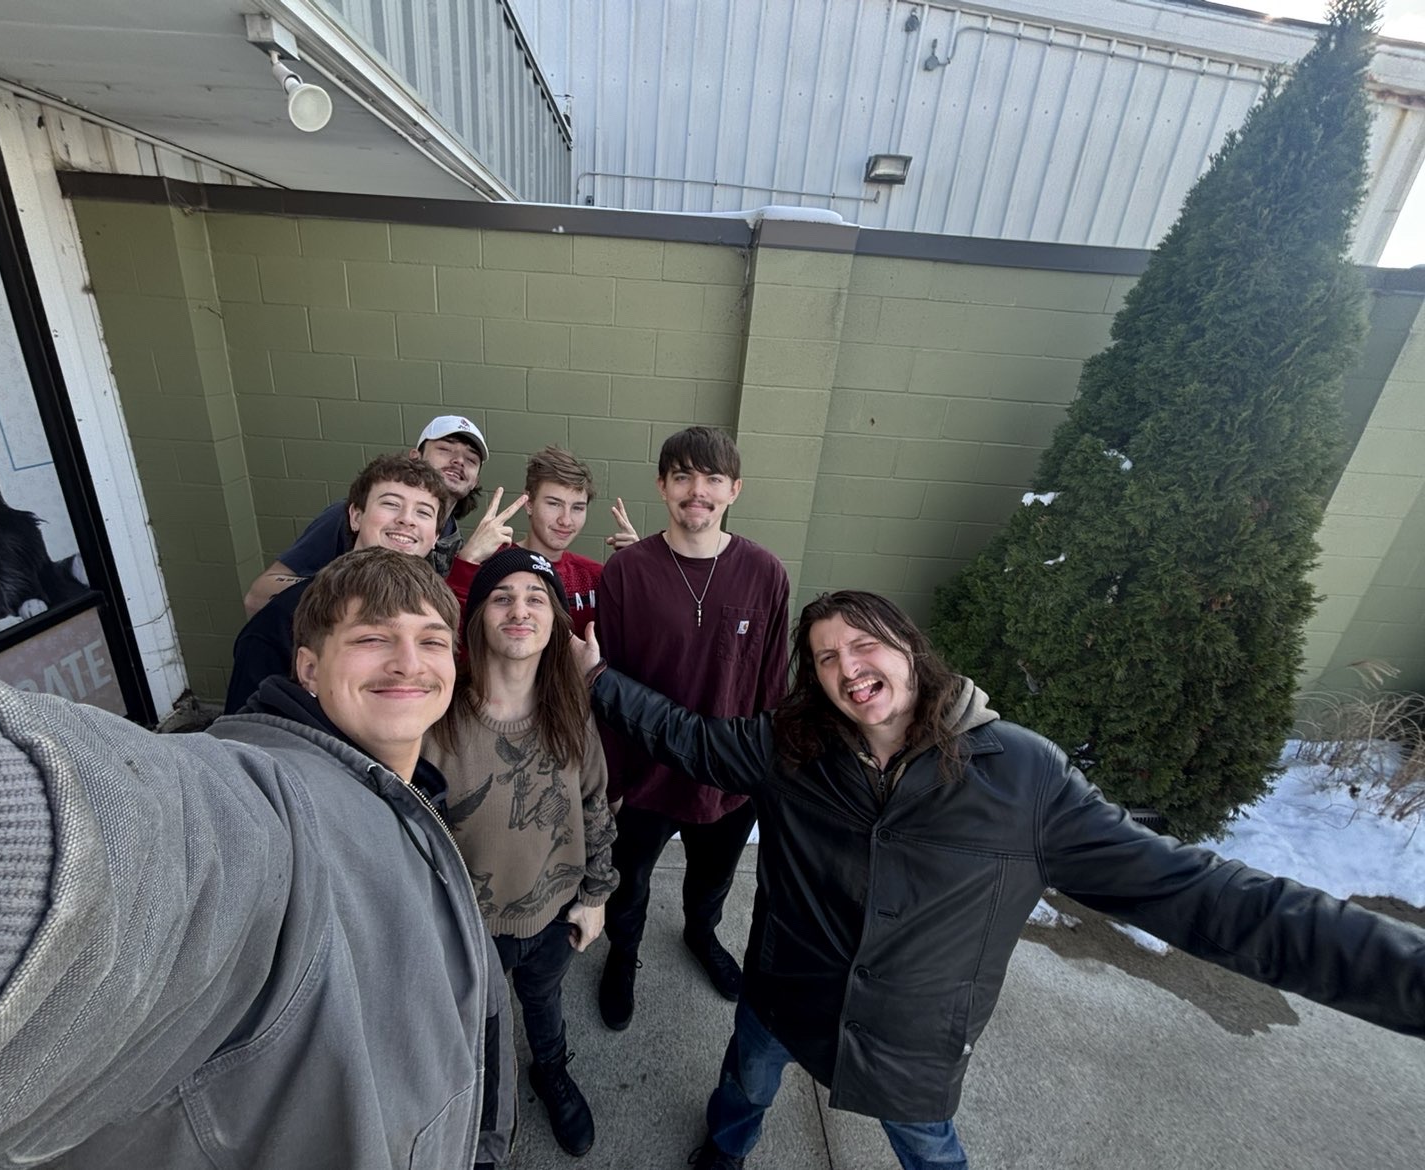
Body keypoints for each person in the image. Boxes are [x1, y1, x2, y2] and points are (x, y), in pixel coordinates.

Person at [569, 590, 1425, 1170]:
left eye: (866, 643)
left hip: (912, 1036)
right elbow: (685, 736)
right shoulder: (792, 748)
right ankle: (723, 1151)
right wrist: (596, 680)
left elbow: (1195, 893)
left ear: (911, 650)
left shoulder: (1022, 775)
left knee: (929, 1146)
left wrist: (1395, 973)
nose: (848, 666)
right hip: (782, 997)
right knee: (743, 1087)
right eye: (826, 657)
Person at [0, 549, 514, 1170]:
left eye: (431, 640)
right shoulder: (268, 808)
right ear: (309, 669)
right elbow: (146, 831)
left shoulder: (408, 793)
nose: (409, 661)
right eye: (373, 637)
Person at [593, 426, 789, 1029]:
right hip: (644, 777)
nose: (695, 492)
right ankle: (622, 956)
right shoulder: (627, 573)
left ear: (734, 489)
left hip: (729, 780)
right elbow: (609, 683)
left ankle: (700, 936)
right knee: (627, 884)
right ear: (662, 485)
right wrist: (612, 780)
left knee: (713, 879)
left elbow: (772, 685)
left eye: (710, 479)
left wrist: (766, 775)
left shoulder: (764, 573)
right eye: (682, 476)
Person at [424, 548, 618, 1157]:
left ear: (556, 621)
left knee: (543, 1001)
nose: (519, 609)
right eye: (502, 597)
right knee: (476, 1027)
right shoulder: (436, 717)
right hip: (468, 929)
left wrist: (596, 894)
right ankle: (479, 1103)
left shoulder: (571, 709)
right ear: (477, 616)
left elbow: (594, 801)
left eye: (536, 598)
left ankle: (551, 1068)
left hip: (554, 911)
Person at [225, 451, 451, 713]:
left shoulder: (431, 613)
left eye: (423, 512)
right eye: (390, 504)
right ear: (356, 516)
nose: (406, 519)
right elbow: (245, 733)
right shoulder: (288, 615)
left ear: (435, 535)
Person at [243, 414, 487, 614]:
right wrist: (348, 588)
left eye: (471, 459)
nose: (458, 461)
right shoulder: (350, 516)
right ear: (416, 457)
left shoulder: (451, 538)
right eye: (445, 449)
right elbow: (257, 595)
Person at [446, 446, 639, 635]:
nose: (566, 520)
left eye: (577, 508)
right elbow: (451, 636)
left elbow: (638, 638)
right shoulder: (493, 566)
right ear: (529, 503)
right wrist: (467, 560)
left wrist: (642, 572)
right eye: (554, 504)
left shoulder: (595, 576)